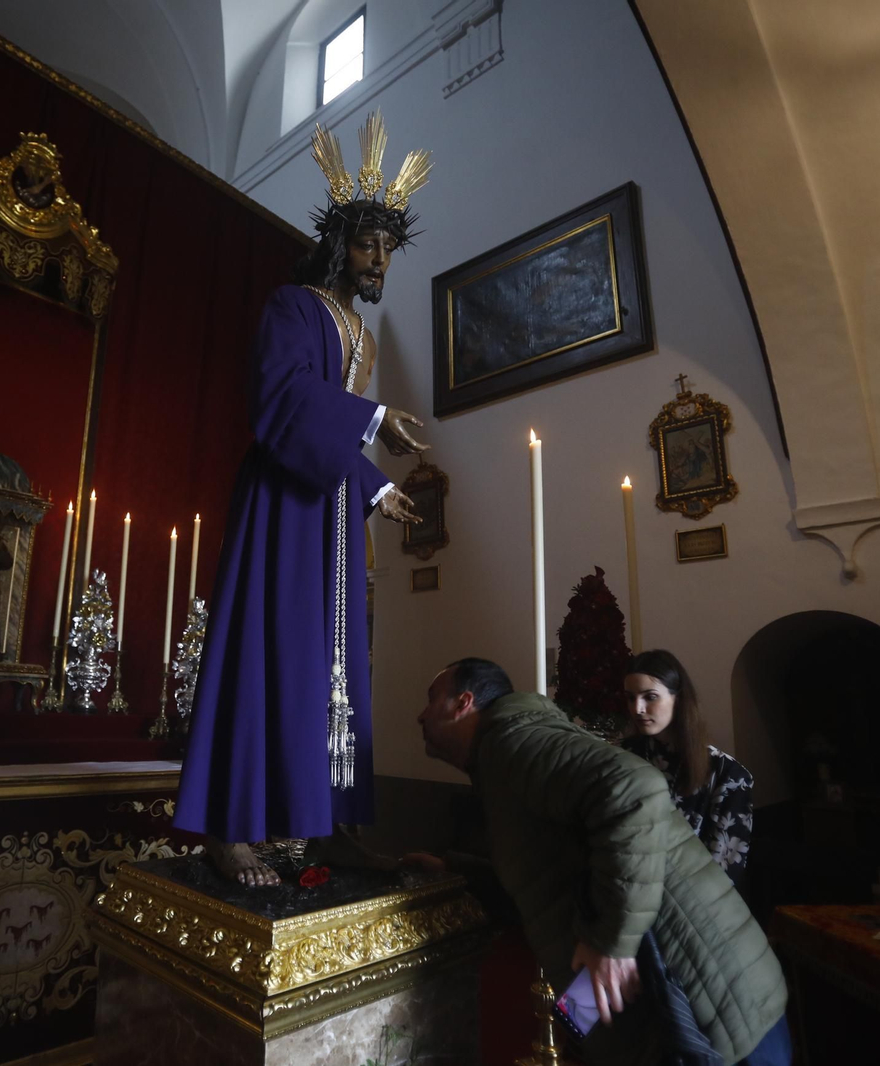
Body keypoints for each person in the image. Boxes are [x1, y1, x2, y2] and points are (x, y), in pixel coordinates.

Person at [173, 113, 433, 885]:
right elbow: (283, 402)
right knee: (268, 649)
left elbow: (341, 437)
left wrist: (373, 484)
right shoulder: (293, 306)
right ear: (337, 246)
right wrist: (376, 424)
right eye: (366, 244)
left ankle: (325, 823)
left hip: (331, 512)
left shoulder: (367, 336)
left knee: (337, 660)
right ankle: (233, 825)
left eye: (387, 248)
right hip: (283, 505)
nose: (378, 259)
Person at [409, 658, 789, 1065]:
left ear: (462, 703)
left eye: (431, 700)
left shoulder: (511, 742)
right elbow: (546, 878)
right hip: (677, 999)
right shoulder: (501, 755)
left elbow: (635, 789)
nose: (420, 714)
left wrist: (612, 941)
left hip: (709, 1001)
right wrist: (455, 871)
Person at [621, 650, 754, 887]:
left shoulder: (728, 774)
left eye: (650, 697)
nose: (638, 708)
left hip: (694, 906)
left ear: (678, 699)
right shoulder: (624, 756)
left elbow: (723, 873)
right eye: (631, 698)